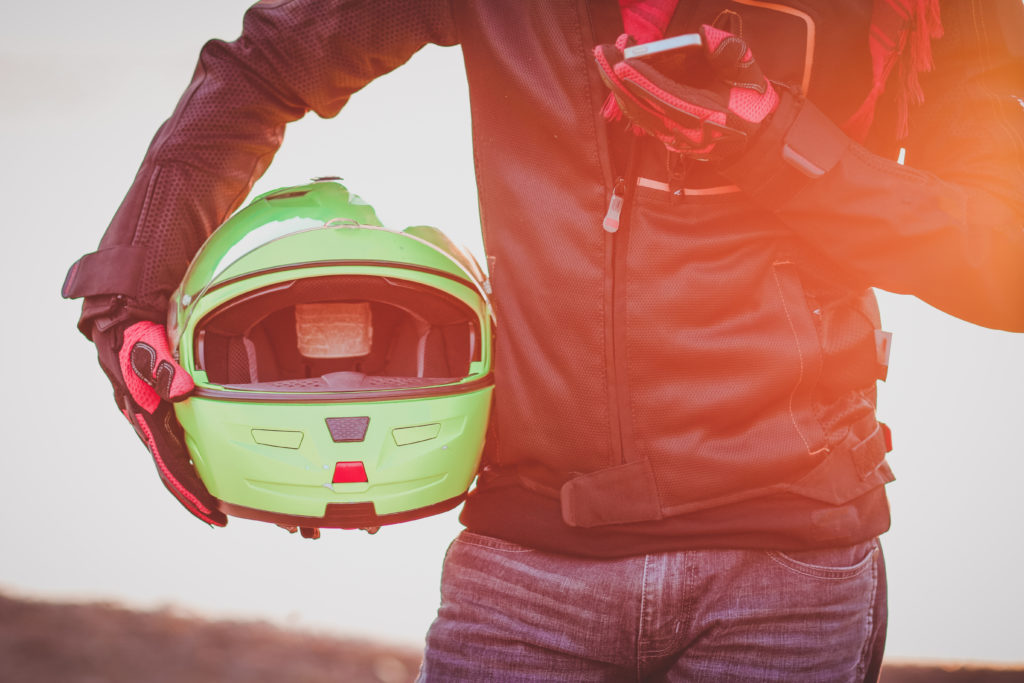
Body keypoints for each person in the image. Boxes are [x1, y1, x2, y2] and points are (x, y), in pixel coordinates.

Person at [62, 1, 1024, 680]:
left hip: (786, 568)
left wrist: (779, 147)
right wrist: (133, 289)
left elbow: (1006, 259)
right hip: (528, 562)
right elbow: (267, 62)